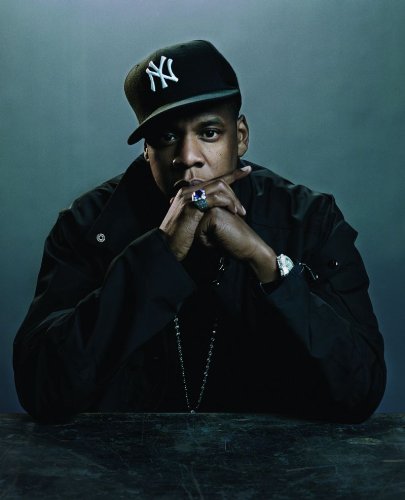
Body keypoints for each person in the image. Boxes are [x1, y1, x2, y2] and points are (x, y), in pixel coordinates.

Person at [13, 40, 386, 423]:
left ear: (240, 136)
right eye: (166, 137)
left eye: (209, 132)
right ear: (146, 150)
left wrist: (266, 263)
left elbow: (360, 391)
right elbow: (42, 387)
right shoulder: (89, 226)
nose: (188, 157)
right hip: (122, 457)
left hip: (271, 458)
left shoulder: (308, 220)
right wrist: (161, 254)